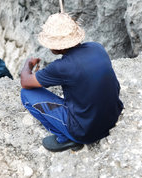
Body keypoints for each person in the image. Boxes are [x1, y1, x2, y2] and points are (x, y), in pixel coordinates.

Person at [20, 13, 124, 152]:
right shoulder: (96, 47)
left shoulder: (61, 67)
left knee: (26, 94)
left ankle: (66, 138)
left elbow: (25, 82)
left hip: (86, 132)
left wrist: (28, 64)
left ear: (58, 47)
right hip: (112, 117)